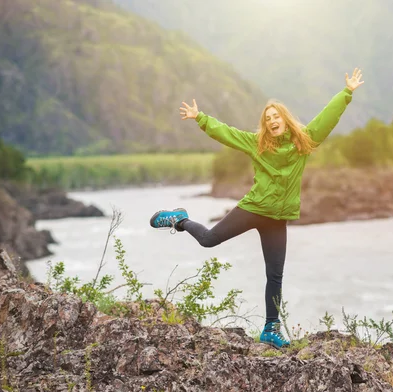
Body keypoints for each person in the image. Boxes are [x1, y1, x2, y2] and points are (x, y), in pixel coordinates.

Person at [150, 68, 364, 348]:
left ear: (285, 121)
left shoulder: (303, 143)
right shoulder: (257, 144)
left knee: (275, 275)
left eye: (276, 117)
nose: (272, 121)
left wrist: (346, 94)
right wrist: (201, 118)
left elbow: (327, 118)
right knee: (209, 240)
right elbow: (227, 134)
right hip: (254, 208)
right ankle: (179, 220)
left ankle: (270, 329)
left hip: (278, 219)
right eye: (268, 119)